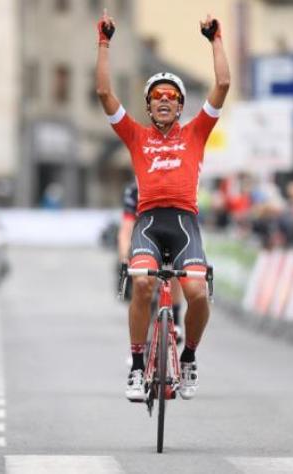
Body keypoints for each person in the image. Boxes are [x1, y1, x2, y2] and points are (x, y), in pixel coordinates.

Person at [96, 9, 230, 401]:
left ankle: (188, 356)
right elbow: (105, 94)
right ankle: (137, 368)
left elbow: (222, 82)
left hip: (185, 223)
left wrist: (216, 39)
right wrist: (103, 42)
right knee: (141, 283)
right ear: (149, 106)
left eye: (173, 96)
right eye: (157, 96)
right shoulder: (136, 136)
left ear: (181, 104)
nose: (165, 100)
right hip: (149, 223)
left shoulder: (196, 132)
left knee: (199, 293)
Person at [118, 180, 184, 340]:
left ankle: (176, 318)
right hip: (142, 238)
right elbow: (126, 229)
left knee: (175, 267)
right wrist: (124, 258)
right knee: (141, 284)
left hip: (169, 236)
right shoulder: (134, 191)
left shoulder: (176, 186)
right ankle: (138, 341)